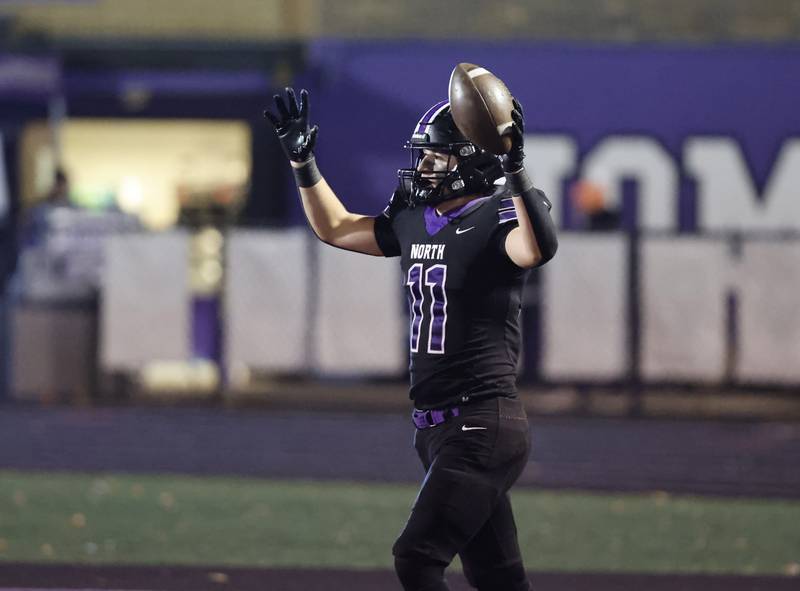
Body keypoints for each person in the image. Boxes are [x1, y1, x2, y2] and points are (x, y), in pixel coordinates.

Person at [264, 86, 558, 591]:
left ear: (470, 161)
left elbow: (536, 248)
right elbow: (335, 228)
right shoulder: (416, 221)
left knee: (417, 558)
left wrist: (515, 169)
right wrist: (302, 161)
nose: (423, 168)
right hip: (436, 428)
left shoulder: (498, 214)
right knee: (497, 577)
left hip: (483, 423)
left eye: (435, 157)